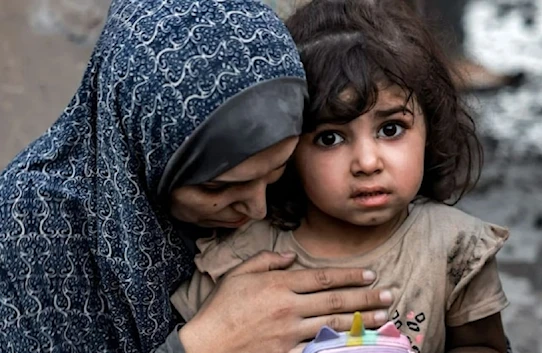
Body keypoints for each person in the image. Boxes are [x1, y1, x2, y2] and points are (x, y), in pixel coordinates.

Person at [0, 0, 392, 352]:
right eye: (217, 187)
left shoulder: (311, 187)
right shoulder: (31, 225)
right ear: (140, 151)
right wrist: (209, 341)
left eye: (275, 171)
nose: (257, 208)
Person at [170, 1, 510, 352]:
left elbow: (484, 345)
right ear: (288, 150)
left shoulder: (455, 247)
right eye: (329, 138)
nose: (366, 162)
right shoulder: (244, 256)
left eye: (391, 129)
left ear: (430, 130)